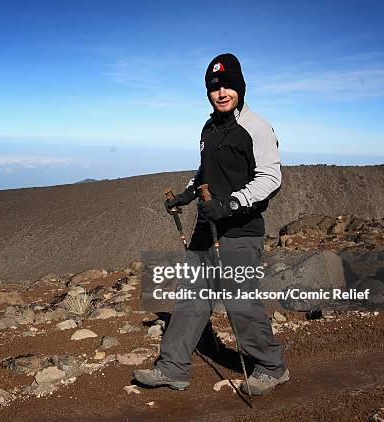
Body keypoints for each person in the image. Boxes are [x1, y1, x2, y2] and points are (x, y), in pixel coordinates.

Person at [133, 53, 288, 395]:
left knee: (240, 301)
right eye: (214, 88)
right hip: (208, 228)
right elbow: (205, 171)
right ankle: (173, 367)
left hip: (240, 231)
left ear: (240, 87)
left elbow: (270, 178)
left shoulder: (256, 126)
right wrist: (186, 195)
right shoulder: (210, 127)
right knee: (191, 298)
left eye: (228, 86)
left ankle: (272, 366)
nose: (221, 93)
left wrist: (230, 204)